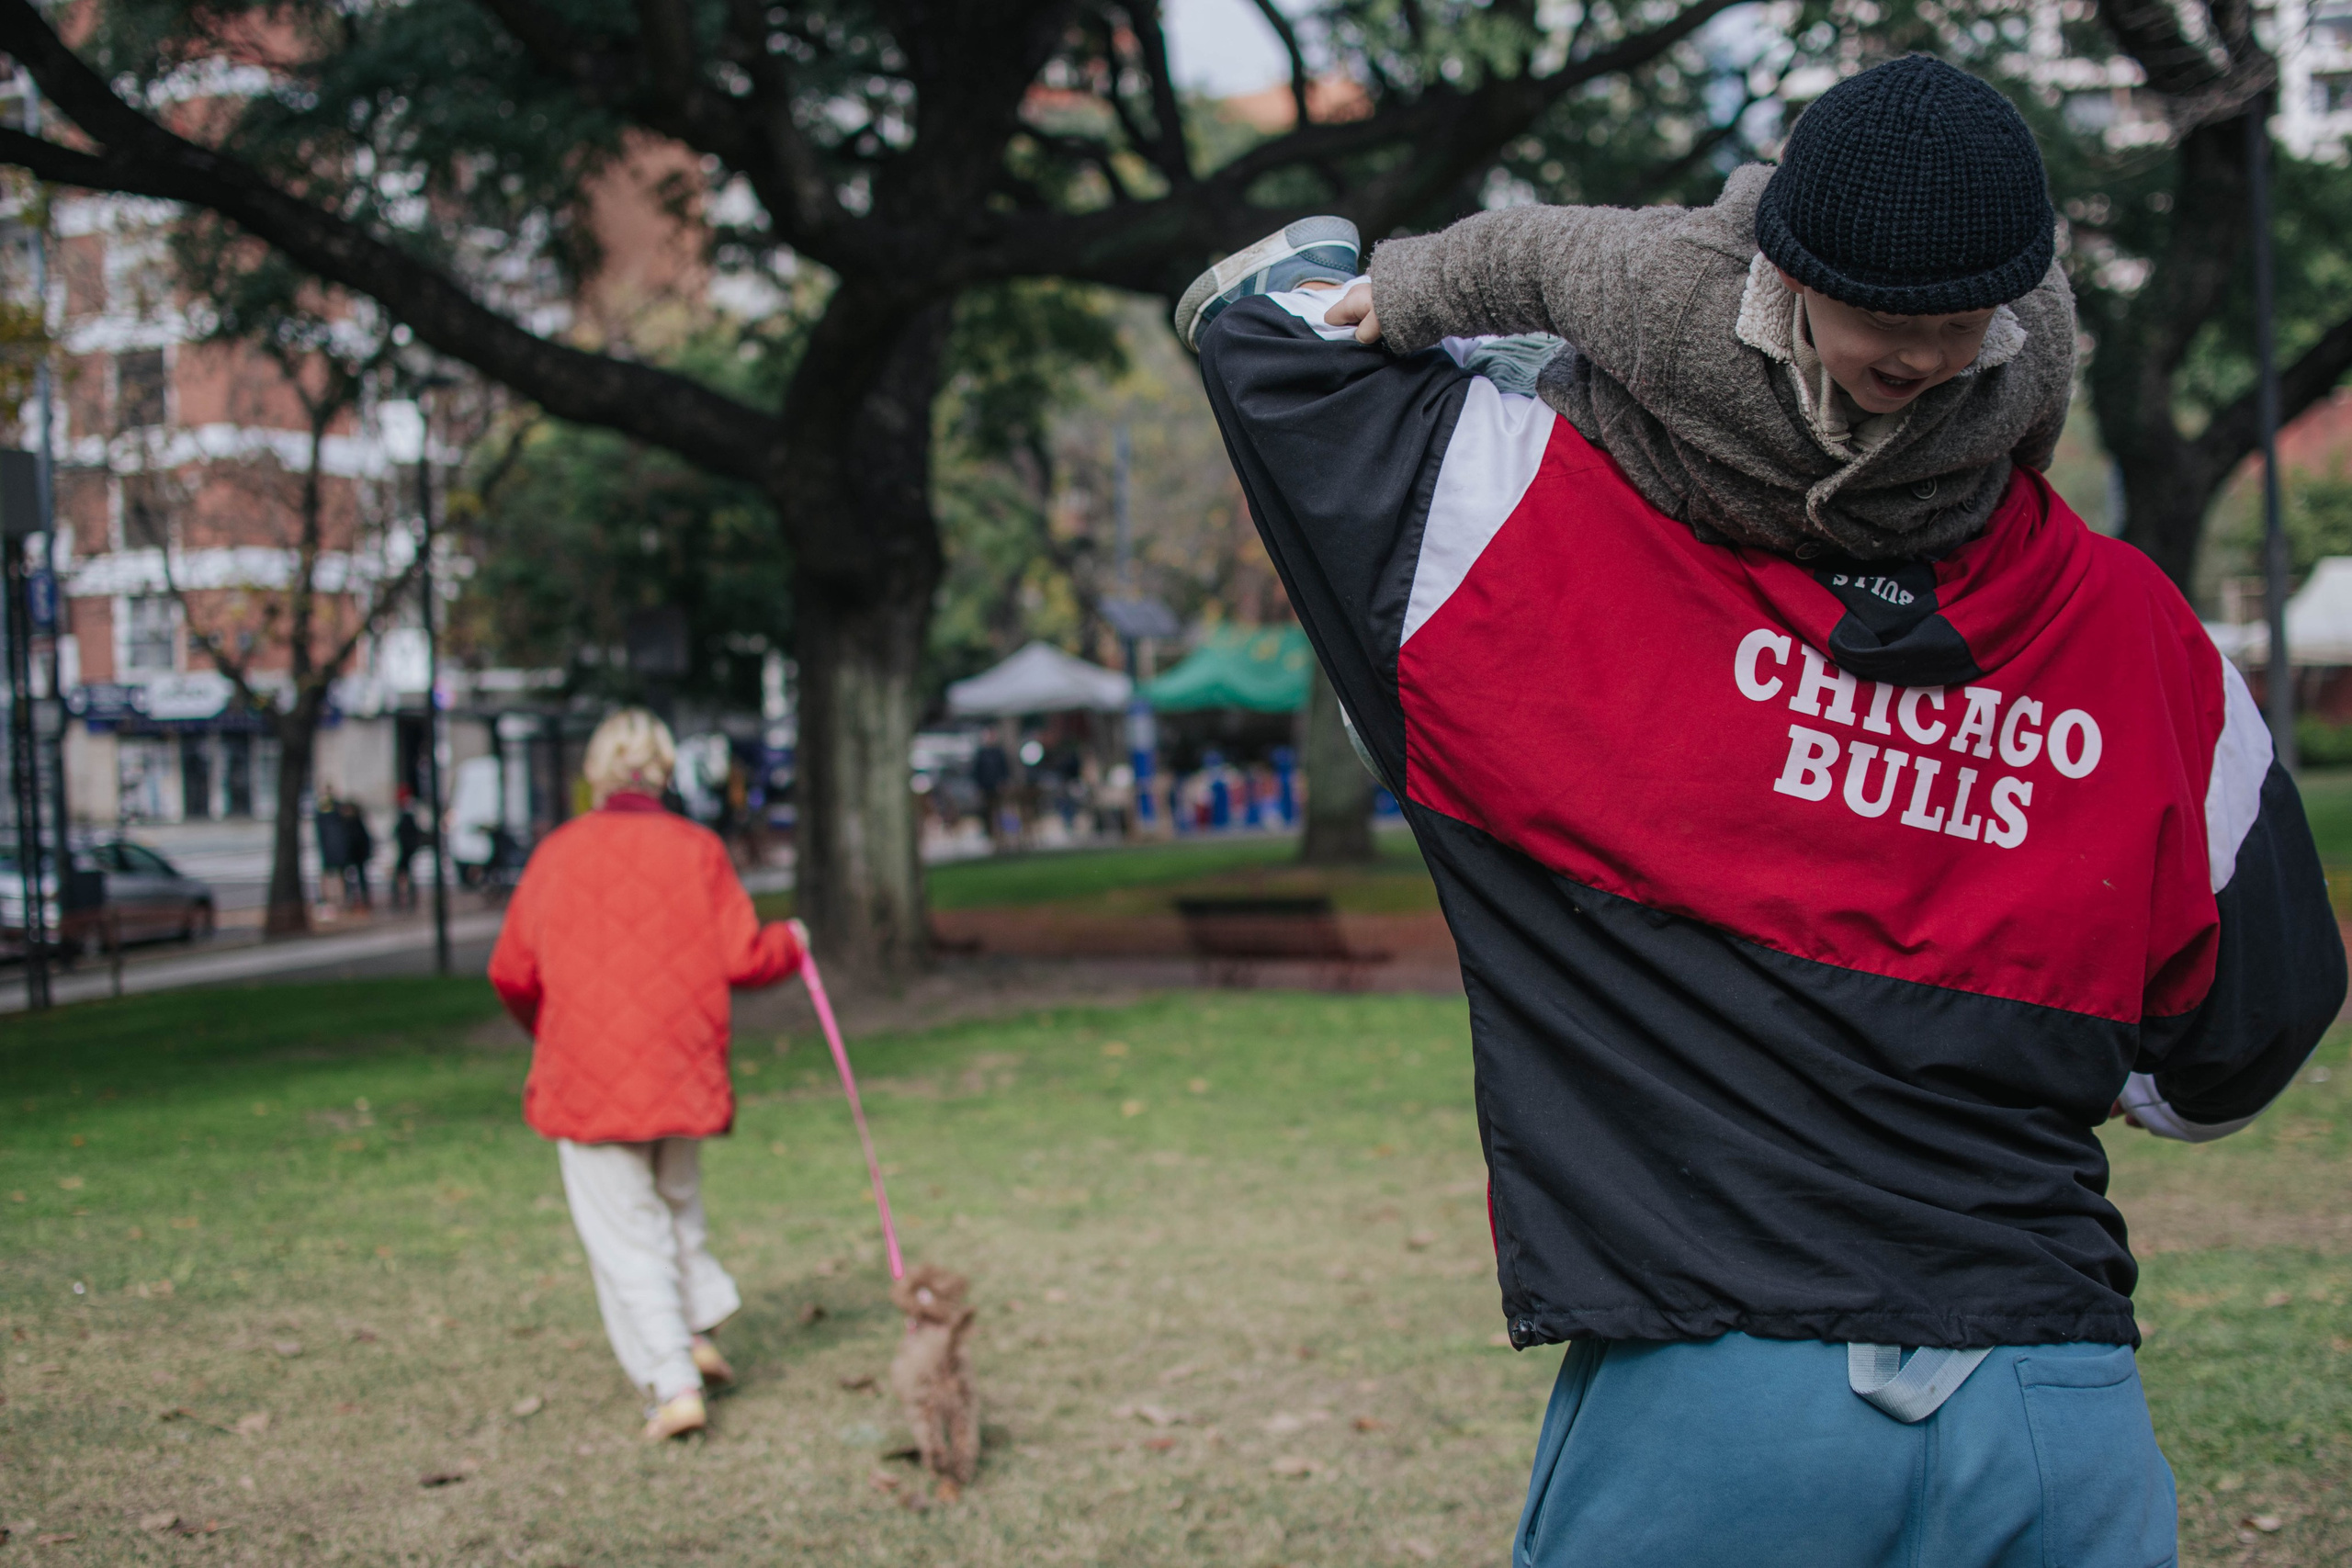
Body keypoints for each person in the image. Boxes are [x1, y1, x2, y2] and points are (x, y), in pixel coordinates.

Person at [1182, 55, 2344, 1568]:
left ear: (2011, 322)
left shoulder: (1514, 555)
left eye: (1956, 336)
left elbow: (1264, 319)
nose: (1919, 363)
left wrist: (1357, 291)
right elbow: (2242, 1043)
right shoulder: (2151, 647)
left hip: (1713, 1420)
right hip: (2054, 1412)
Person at [488, 708, 805, 1440]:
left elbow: (510, 969)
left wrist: (552, 1027)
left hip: (589, 1073)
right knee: (673, 1204)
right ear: (664, 770)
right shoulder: (699, 848)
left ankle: (672, 1377)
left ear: (595, 771)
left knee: (626, 1231)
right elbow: (743, 956)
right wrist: (793, 942)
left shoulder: (558, 853)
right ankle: (696, 1323)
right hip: (680, 1065)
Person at [312, 790, 347, 915]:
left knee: (331, 874)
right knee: (335, 874)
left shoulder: (324, 816)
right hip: (334, 849)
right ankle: (336, 899)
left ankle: (331, 899)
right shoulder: (335, 815)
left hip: (330, 848)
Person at [391, 791, 425, 911]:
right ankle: (407, 897)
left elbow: (400, 833)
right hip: (407, 850)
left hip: (406, 851)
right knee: (406, 874)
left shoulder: (407, 818)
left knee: (402, 874)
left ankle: (403, 898)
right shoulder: (408, 817)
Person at [339, 799, 375, 912]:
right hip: (350, 854)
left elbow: (362, 839)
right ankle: (353, 899)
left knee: (360, 877)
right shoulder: (345, 823)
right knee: (350, 878)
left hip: (358, 854)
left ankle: (362, 898)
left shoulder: (355, 822)